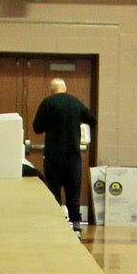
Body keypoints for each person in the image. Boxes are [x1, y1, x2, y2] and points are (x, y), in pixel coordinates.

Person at [31, 77, 94, 231]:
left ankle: (56, 222)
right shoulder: (75, 102)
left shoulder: (48, 103)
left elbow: (37, 127)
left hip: (53, 154)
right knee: (73, 189)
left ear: (51, 90)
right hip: (73, 153)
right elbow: (92, 119)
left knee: (54, 189)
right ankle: (76, 224)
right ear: (65, 88)